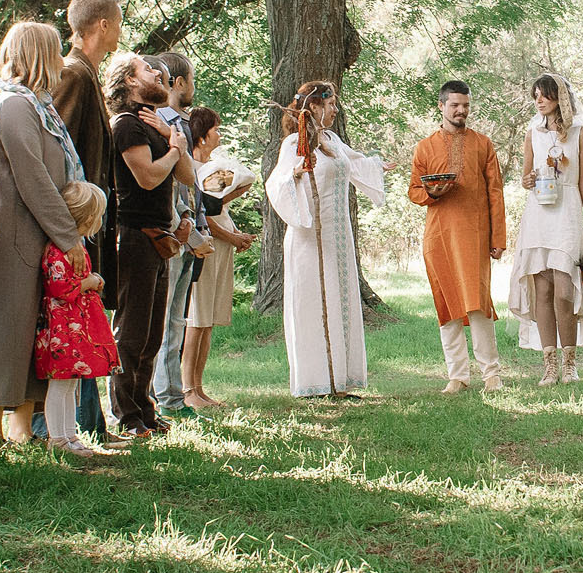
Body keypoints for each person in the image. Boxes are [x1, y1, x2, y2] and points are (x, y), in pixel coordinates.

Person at [0, 23, 91, 441]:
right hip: (13, 239)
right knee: (3, 330)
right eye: (55, 51)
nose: (62, 60)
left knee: (33, 332)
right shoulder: (13, 107)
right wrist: (68, 235)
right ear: (38, 55)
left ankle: (22, 428)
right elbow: (33, 178)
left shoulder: (40, 107)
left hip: (36, 235)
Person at [267, 81, 387, 399]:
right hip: (310, 239)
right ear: (315, 107)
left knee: (339, 301)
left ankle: (340, 381)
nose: (335, 110)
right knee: (314, 305)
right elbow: (276, 182)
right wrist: (294, 173)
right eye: (331, 104)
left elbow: (354, 162)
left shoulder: (331, 140)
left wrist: (378, 166)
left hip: (338, 238)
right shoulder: (295, 142)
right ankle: (316, 381)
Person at [110, 55, 197, 432]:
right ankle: (126, 415)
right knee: (131, 332)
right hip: (134, 237)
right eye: (148, 71)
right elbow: (147, 177)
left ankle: (144, 409)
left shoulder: (156, 124)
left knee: (152, 333)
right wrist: (175, 149)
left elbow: (187, 177)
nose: (159, 74)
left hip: (161, 239)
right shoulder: (126, 124)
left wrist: (172, 139)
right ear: (129, 81)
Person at [55, 0, 125, 442]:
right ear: (102, 25)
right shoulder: (73, 75)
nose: (120, 31)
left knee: (89, 316)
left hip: (92, 221)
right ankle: (72, 423)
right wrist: (70, 227)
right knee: (75, 319)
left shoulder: (89, 75)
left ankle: (91, 421)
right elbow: (59, 153)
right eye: (118, 22)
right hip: (75, 222)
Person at [408, 80, 508, 393]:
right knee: (446, 302)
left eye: (465, 105)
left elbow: (495, 192)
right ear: (441, 106)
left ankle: (491, 374)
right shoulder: (425, 147)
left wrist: (498, 238)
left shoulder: (482, 144)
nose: (461, 111)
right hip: (438, 237)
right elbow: (414, 190)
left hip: (474, 234)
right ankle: (458, 376)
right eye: (454, 105)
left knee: (477, 302)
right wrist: (432, 193)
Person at [509, 75, 583, 384]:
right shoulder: (532, 133)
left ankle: (570, 362)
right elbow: (525, 178)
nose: (539, 101)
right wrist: (528, 180)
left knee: (564, 290)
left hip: (567, 214)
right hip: (538, 213)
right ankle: (549, 365)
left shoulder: (579, 133)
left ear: (559, 98)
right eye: (536, 96)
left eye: (544, 95)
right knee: (543, 290)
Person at [148, 51, 212, 420]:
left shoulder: (181, 124)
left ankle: (172, 396)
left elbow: (191, 182)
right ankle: (164, 397)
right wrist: (182, 227)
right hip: (169, 231)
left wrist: (198, 225)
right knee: (162, 321)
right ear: (179, 82)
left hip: (188, 227)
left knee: (176, 320)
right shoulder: (158, 123)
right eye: (191, 80)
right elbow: (166, 185)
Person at [39, 182, 122, 459]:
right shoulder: (58, 249)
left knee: (71, 383)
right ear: (88, 218)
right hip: (63, 330)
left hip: (77, 327)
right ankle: (57, 438)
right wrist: (90, 282)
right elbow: (59, 287)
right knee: (60, 384)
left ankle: (70, 435)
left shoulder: (76, 247)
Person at [183, 109, 256, 409]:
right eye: (216, 129)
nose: (220, 134)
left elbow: (221, 208)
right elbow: (203, 215)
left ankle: (200, 387)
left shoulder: (215, 168)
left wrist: (236, 233)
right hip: (205, 244)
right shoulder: (190, 169)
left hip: (223, 244)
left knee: (209, 320)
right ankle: (187, 389)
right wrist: (231, 237)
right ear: (202, 136)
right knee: (197, 318)